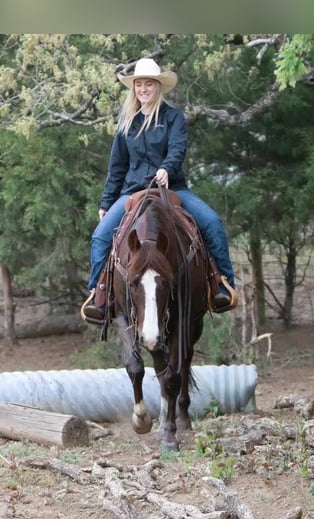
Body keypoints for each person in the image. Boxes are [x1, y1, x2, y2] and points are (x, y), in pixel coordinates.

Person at [82, 58, 236, 323]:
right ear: (134, 88)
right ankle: (99, 295)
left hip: (171, 187)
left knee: (211, 222)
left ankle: (221, 285)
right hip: (132, 192)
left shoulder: (172, 116)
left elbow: (178, 148)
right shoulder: (126, 123)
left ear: (158, 86)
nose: (143, 89)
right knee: (100, 236)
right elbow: (116, 166)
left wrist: (166, 168)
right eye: (139, 84)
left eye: (148, 84)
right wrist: (106, 202)